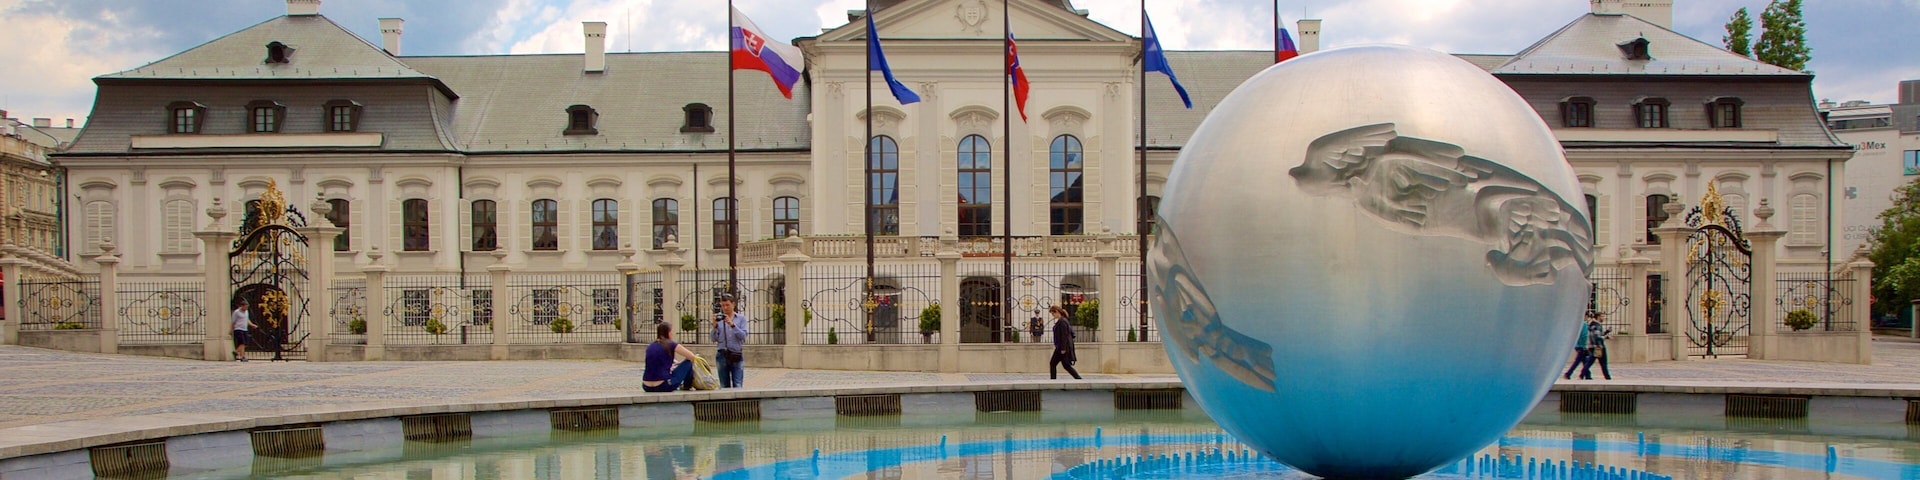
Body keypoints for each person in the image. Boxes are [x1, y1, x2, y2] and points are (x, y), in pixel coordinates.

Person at [642, 323, 699, 392]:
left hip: (646, 386)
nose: (672, 334)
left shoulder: (651, 346)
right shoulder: (671, 344)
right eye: (672, 331)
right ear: (668, 333)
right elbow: (692, 356)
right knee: (689, 362)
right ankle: (687, 386)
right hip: (663, 385)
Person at [711, 293, 748, 388]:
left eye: (727, 305)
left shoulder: (741, 319)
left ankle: (738, 402)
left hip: (736, 354)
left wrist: (732, 325)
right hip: (722, 354)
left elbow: (743, 336)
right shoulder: (719, 319)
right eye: (723, 305)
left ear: (733, 304)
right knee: (723, 385)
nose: (725, 308)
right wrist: (714, 327)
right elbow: (713, 339)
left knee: (738, 384)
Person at [1048, 306, 1081, 380]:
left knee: (1054, 364)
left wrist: (1063, 348)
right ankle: (1078, 378)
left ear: (1057, 312)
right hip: (1061, 347)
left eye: (1053, 314)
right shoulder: (1063, 321)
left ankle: (1053, 381)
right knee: (1065, 365)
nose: (1053, 316)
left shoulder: (1062, 322)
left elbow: (1064, 336)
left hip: (1062, 348)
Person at [1582, 312, 1613, 380]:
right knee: (1601, 363)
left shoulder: (1594, 324)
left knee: (1596, 362)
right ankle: (1607, 377)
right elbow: (1597, 337)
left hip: (1596, 346)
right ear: (1598, 317)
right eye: (1602, 316)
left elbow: (1599, 334)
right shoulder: (1596, 325)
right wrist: (1606, 337)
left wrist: (1607, 331)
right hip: (1598, 347)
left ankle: (1607, 377)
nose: (1604, 318)